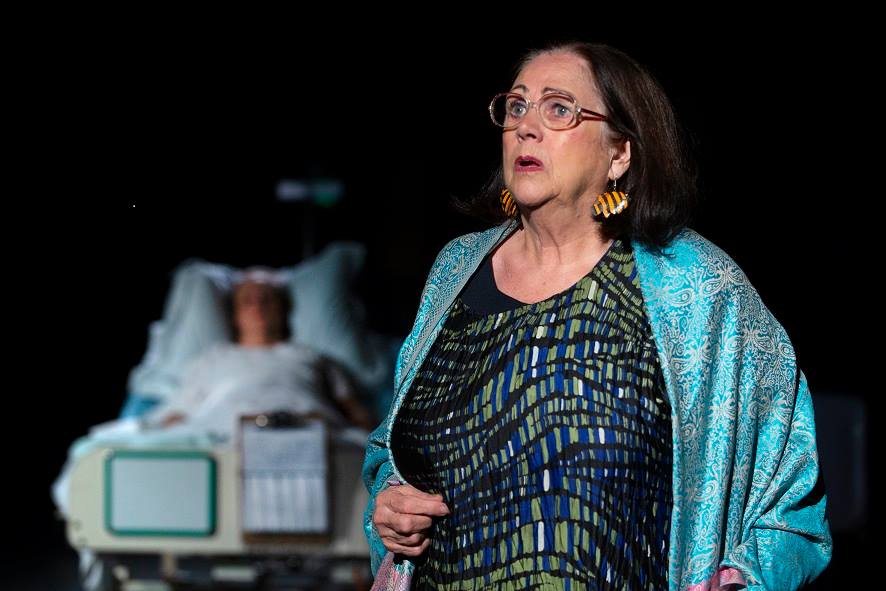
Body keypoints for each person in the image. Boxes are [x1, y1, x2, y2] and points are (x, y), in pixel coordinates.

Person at [362, 41, 832, 590]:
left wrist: (739, 583)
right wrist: (389, 505)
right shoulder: (456, 271)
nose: (526, 128)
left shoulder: (695, 287)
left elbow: (790, 503)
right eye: (516, 106)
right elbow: (392, 450)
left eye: (559, 109)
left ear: (620, 153)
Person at [144, 269, 377, 434]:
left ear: (283, 309)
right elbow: (179, 413)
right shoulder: (212, 358)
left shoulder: (312, 357)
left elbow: (355, 412)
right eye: (247, 301)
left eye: (267, 300)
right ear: (234, 314)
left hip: (310, 433)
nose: (258, 306)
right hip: (226, 436)